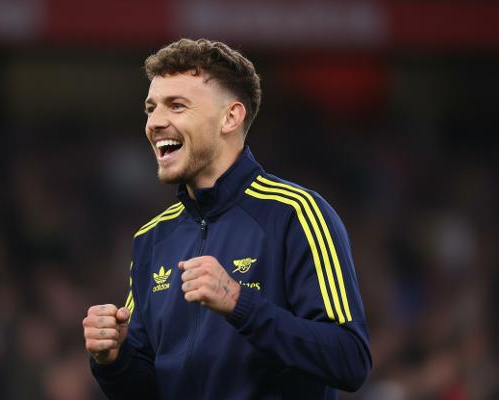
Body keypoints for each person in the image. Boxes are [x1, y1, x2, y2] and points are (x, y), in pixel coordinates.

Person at [83, 38, 371, 400]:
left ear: (230, 117)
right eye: (151, 108)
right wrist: (114, 360)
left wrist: (240, 304)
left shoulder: (297, 214)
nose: (155, 122)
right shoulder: (151, 238)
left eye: (176, 106)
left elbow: (350, 358)